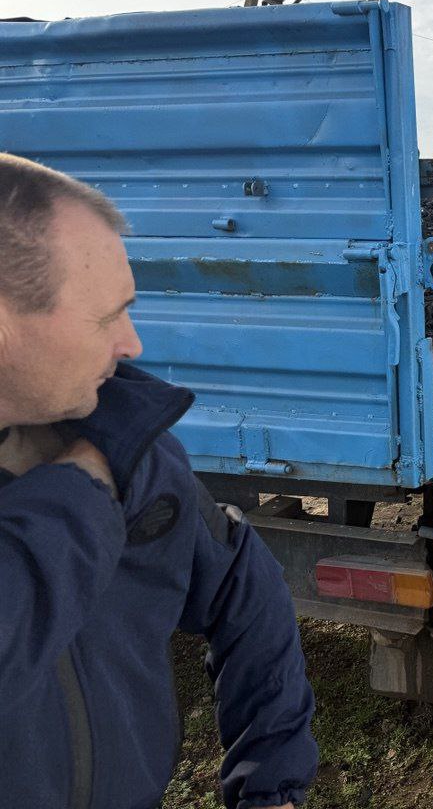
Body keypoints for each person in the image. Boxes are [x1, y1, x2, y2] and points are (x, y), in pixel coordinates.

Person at [0, 154, 317, 809]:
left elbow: (239, 583)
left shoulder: (115, 435)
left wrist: (273, 785)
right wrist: (82, 490)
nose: (133, 343)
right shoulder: (99, 461)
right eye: (105, 317)